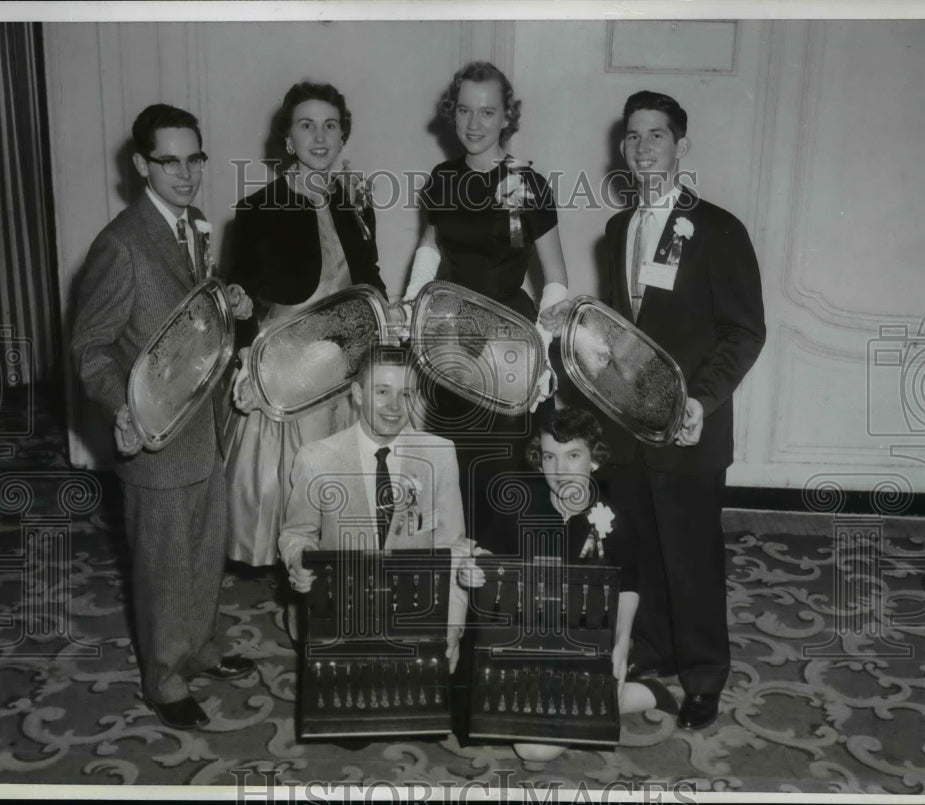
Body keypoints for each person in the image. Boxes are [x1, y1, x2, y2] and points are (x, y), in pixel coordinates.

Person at [543, 91, 765, 731]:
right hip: (628, 431)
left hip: (692, 426)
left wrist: (701, 400)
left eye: (656, 136)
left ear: (680, 146)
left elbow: (743, 332)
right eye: (632, 137)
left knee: (692, 560)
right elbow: (626, 334)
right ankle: (655, 650)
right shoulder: (619, 229)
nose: (642, 148)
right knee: (640, 549)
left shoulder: (719, 230)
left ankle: (702, 679)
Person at [71, 104, 255, 731]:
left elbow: (193, 311)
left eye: (194, 159)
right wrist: (121, 407)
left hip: (206, 425)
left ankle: (199, 651)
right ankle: (164, 679)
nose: (185, 173)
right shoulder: (120, 245)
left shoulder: (195, 225)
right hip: (155, 433)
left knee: (203, 550)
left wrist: (228, 299)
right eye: (169, 161)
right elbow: (88, 346)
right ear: (141, 165)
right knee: (162, 562)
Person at [223, 81, 386, 567]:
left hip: (349, 362)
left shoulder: (357, 201)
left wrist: (382, 307)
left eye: (330, 125)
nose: (320, 137)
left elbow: (368, 276)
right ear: (288, 139)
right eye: (306, 125)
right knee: (296, 498)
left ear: (343, 138)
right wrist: (250, 364)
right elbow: (242, 298)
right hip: (287, 367)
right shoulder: (256, 209)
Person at [402, 61, 570, 527]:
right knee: (453, 470)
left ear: (506, 117)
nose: (474, 124)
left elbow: (555, 277)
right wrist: (412, 301)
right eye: (464, 111)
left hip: (509, 341)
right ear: (451, 113)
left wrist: (539, 350)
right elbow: (431, 244)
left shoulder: (530, 184)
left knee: (506, 473)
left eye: (487, 112)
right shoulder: (441, 178)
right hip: (450, 335)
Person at [463, 407, 678, 761]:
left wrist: (621, 644)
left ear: (594, 460)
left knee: (533, 749)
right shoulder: (519, 505)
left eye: (573, 456)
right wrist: (472, 571)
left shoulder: (612, 514)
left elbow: (628, 583)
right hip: (528, 639)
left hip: (587, 642)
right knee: (474, 707)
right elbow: (488, 558)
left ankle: (633, 693)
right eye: (549, 457)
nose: (560, 471)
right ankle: (619, 698)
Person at [280, 342, 475, 668]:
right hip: (339, 617)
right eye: (382, 391)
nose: (395, 406)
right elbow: (296, 534)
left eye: (406, 394)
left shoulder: (439, 454)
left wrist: (453, 628)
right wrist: (299, 560)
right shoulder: (317, 459)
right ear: (357, 394)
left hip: (414, 618)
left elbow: (452, 549)